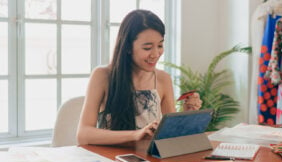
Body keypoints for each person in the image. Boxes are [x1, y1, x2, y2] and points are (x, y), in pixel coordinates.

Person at [77, 10, 202, 145]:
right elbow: (83, 134)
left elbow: (170, 137)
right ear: (128, 47)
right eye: (147, 48)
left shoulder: (163, 79)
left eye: (160, 45)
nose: (155, 54)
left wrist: (187, 114)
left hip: (149, 161)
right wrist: (136, 134)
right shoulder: (102, 76)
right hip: (111, 161)